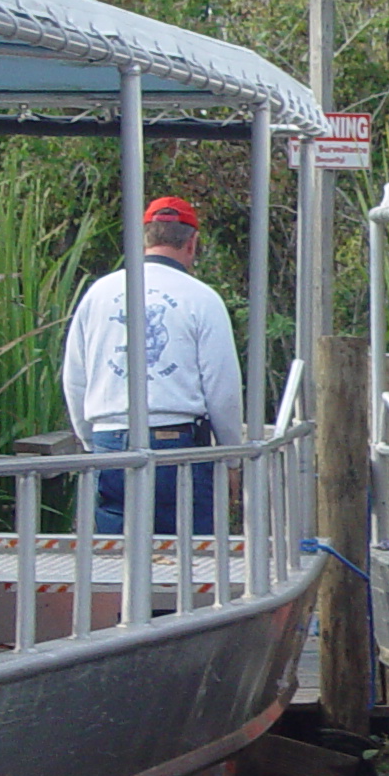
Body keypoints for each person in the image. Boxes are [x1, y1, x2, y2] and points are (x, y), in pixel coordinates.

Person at [61, 195, 243, 538]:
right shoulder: (202, 298)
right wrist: (232, 457)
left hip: (109, 442)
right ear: (193, 243)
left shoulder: (98, 293)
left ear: (145, 238)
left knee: (116, 559)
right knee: (191, 558)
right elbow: (223, 390)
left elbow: (74, 379)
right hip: (178, 447)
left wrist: (91, 442)